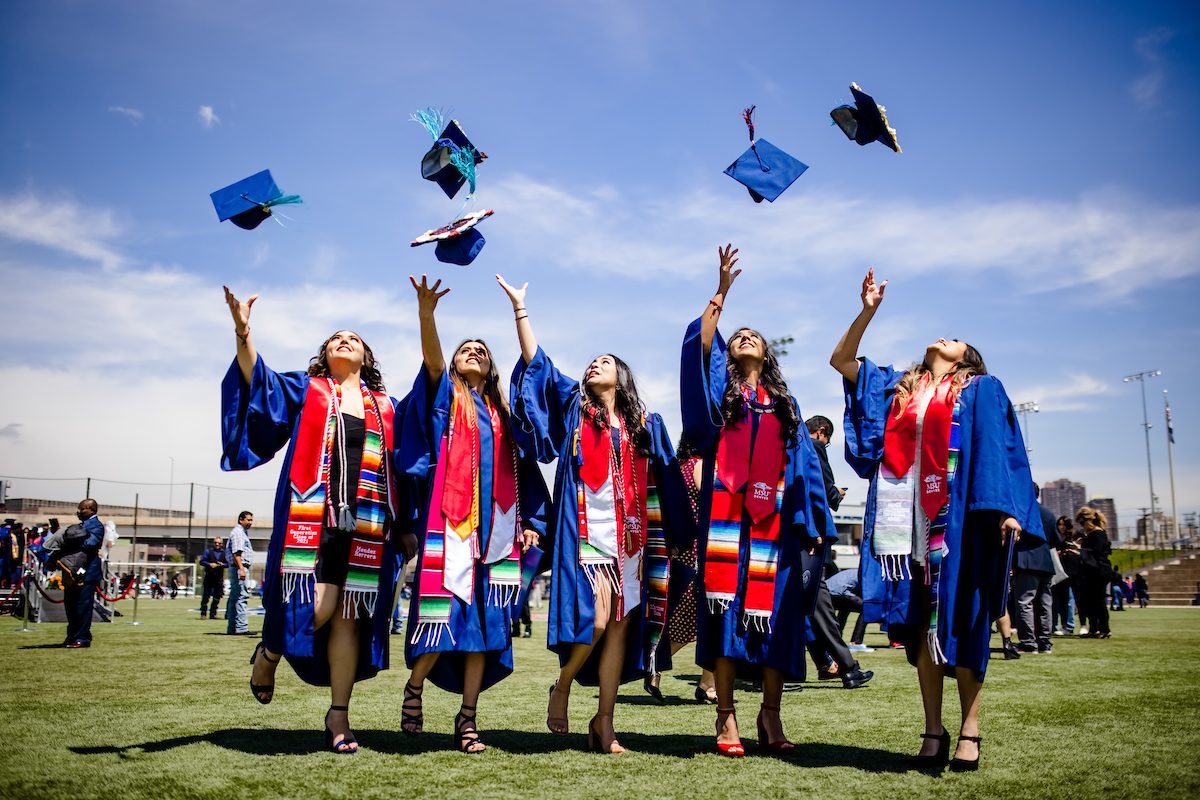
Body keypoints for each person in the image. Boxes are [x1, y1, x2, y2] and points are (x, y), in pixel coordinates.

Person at [831, 267, 1041, 771]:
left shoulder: (980, 390)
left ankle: (970, 728)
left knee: (966, 623)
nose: (942, 336)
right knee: (920, 626)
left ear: (965, 358)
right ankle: (933, 728)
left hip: (962, 523)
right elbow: (841, 360)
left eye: (955, 339)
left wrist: (1006, 511)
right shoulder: (897, 389)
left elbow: (997, 450)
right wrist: (868, 311)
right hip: (908, 530)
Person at [501, 273, 689, 754]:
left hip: (631, 541)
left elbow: (668, 477)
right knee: (598, 622)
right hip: (585, 534)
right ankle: (562, 685)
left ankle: (604, 724)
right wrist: (521, 310)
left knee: (621, 632)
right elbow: (536, 364)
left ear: (621, 377)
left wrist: (683, 533)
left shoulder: (646, 424)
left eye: (604, 362)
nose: (594, 365)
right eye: (591, 362)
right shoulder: (574, 409)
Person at [220, 286, 407, 754]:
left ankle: (338, 717)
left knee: (348, 618)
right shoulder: (308, 390)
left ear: (366, 356)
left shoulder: (384, 407)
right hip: (313, 518)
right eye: (335, 338)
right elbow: (256, 381)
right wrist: (244, 331)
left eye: (354, 339)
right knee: (317, 607)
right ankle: (268, 654)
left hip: (366, 526)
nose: (344, 341)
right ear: (324, 353)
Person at [681, 245, 837, 757]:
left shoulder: (785, 408)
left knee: (776, 622)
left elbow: (806, 467)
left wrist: (814, 522)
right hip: (726, 526)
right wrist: (721, 291)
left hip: (774, 530)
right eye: (737, 337)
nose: (745, 338)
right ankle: (726, 718)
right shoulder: (720, 398)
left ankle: (770, 716)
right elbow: (697, 353)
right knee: (723, 616)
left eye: (755, 337)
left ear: (767, 355)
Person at [397, 275, 548, 754]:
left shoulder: (503, 413)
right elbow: (434, 361)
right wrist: (427, 315)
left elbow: (526, 475)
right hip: (452, 528)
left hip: (497, 536)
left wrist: (531, 524)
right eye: (467, 349)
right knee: (441, 622)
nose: (475, 352)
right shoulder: (447, 398)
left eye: (483, 349)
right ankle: (416, 688)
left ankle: (468, 719)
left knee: (483, 633)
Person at [803, 416, 872, 689]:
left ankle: (836, 665)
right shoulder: (813, 448)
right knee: (818, 606)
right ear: (822, 432)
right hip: (812, 537)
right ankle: (846, 667)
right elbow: (825, 495)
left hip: (799, 536)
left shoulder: (791, 448)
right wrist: (837, 493)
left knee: (810, 607)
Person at [648, 437, 717, 704]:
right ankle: (655, 666)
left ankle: (706, 684)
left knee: (691, 620)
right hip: (701, 550)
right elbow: (709, 500)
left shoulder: (677, 466)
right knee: (701, 620)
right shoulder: (700, 465)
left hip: (681, 549)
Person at [1012, 484, 1058, 654]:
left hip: (1026, 560)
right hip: (1046, 562)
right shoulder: (1049, 513)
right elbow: (1055, 540)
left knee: (1025, 602)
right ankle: (1045, 643)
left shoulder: (1019, 512)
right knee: (1045, 603)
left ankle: (1028, 643)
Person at [62, 500, 105, 648]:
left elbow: (91, 543)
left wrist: (72, 539)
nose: (79, 512)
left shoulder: (97, 526)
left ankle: (82, 638)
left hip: (87, 571)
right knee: (71, 605)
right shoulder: (80, 526)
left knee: (83, 606)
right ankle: (73, 635)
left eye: (82, 509)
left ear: (91, 510)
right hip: (72, 570)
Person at [1075, 506, 1113, 638]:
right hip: (1092, 572)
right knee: (1090, 601)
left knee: (1098, 601)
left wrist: (1079, 549)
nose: (1081, 526)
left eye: (1081, 523)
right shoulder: (1094, 535)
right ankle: (1094, 628)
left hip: (1098, 572)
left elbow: (1096, 554)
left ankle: (1104, 629)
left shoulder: (1098, 534)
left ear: (1087, 521)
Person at [226, 513, 255, 634]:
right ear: (241, 520)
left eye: (251, 520)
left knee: (234, 598)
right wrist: (242, 569)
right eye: (248, 520)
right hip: (239, 567)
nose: (250, 522)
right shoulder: (238, 533)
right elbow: (236, 553)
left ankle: (232, 627)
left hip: (236, 567)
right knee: (242, 597)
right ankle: (241, 628)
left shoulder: (241, 532)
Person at [1052, 517, 1078, 635]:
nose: (1061, 527)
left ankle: (1069, 625)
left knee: (1069, 600)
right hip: (1058, 571)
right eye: (1059, 524)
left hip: (1070, 572)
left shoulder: (1074, 537)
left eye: (1063, 525)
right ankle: (1057, 625)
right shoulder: (1055, 538)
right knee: (1057, 600)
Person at [199, 536, 227, 619]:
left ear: (222, 544)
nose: (217, 544)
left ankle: (213, 613)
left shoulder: (224, 553)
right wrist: (209, 564)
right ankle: (203, 613)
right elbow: (202, 561)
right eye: (215, 543)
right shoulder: (208, 552)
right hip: (209, 577)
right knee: (206, 597)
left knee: (217, 597)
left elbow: (228, 564)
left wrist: (223, 565)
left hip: (219, 578)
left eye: (219, 543)